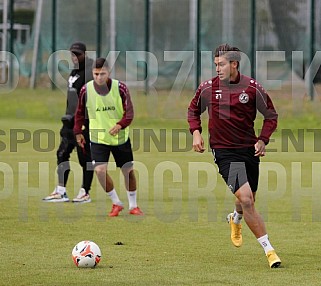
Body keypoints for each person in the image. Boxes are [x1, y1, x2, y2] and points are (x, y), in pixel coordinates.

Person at [187, 44, 281, 268]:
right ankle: (270, 251)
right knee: (247, 199)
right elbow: (193, 110)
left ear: (234, 64)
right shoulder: (208, 88)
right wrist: (196, 133)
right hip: (224, 152)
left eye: (221, 64)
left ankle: (235, 218)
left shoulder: (252, 88)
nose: (217, 69)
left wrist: (262, 139)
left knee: (247, 200)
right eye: (216, 65)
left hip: (248, 150)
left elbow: (271, 116)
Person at [73, 57, 143, 217]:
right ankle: (116, 203)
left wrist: (120, 125)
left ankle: (133, 205)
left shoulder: (121, 88)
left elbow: (130, 113)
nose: (99, 77)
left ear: (109, 72)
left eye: (102, 73)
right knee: (99, 171)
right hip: (98, 139)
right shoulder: (86, 90)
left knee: (128, 171)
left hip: (120, 138)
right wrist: (78, 132)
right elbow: (79, 113)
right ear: (92, 73)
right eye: (96, 74)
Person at [43, 42, 94, 203]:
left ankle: (85, 192)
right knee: (62, 153)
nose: (74, 57)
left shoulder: (90, 73)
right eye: (72, 54)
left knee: (84, 157)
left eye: (78, 54)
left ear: (85, 54)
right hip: (69, 120)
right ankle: (61, 191)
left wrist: (83, 121)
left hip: (84, 122)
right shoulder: (75, 71)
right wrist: (68, 117)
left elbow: (90, 99)